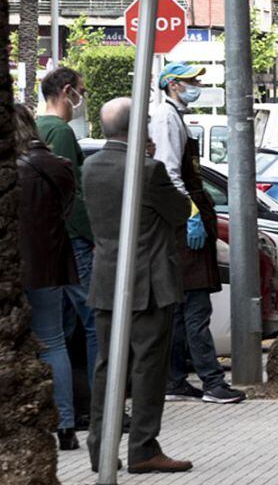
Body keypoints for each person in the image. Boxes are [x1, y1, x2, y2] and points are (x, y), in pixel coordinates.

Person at [84, 98, 193, 474]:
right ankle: (143, 447)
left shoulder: (91, 167)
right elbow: (180, 212)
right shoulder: (149, 171)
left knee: (106, 365)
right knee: (148, 366)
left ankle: (100, 447)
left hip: (106, 279)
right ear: (137, 129)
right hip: (149, 282)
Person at [148, 62, 244, 405]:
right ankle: (212, 382)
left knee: (183, 306)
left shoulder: (173, 116)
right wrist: (188, 213)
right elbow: (169, 171)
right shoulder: (165, 118)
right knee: (195, 306)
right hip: (183, 223)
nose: (196, 85)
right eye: (190, 81)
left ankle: (176, 379)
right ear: (172, 85)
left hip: (185, 219)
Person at [15, 104, 79, 450]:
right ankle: (66, 426)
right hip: (50, 267)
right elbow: (66, 212)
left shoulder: (10, 170)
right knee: (54, 341)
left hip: (13, 271)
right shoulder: (60, 168)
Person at [36, 67, 99, 394]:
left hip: (52, 242)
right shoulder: (59, 132)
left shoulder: (38, 127)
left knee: (61, 328)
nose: (81, 99)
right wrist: (92, 236)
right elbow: (69, 192)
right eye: (81, 91)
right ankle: (103, 402)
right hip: (73, 242)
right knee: (94, 323)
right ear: (66, 91)